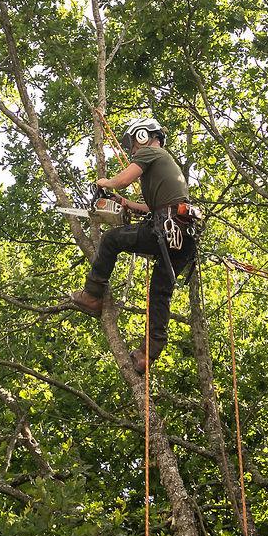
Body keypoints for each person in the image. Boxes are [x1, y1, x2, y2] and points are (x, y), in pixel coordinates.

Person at [67, 116, 198, 371]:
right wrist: (125, 203)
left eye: (133, 144)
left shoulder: (152, 152)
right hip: (181, 237)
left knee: (111, 239)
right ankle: (147, 354)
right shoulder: (164, 164)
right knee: (159, 294)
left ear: (144, 136)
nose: (133, 151)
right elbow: (151, 207)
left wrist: (106, 182)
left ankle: (93, 296)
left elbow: (124, 179)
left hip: (166, 228)